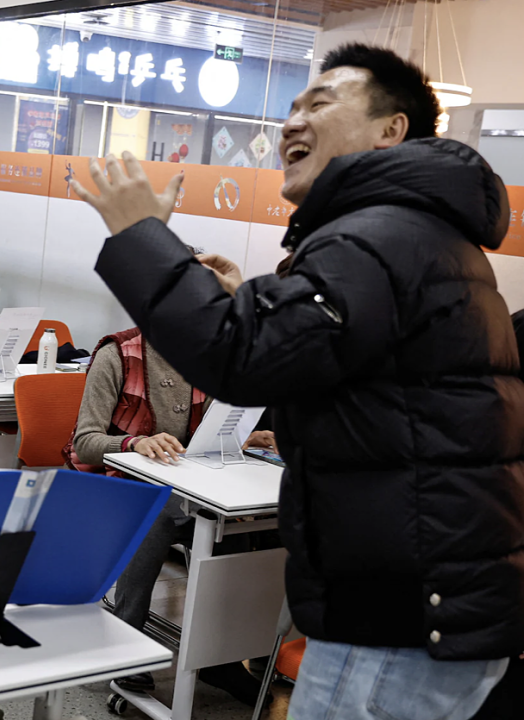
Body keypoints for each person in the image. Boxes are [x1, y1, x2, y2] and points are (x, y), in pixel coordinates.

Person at [73, 43, 522, 719]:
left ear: (390, 130)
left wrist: (140, 234)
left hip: (397, 614)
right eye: (289, 107)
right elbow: (318, 352)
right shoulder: (414, 234)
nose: (292, 122)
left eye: (320, 103)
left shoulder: (376, 236)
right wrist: (246, 297)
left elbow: (240, 360)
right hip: (430, 602)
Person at [62, 323, 271, 707]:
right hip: (115, 483)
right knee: (153, 516)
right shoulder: (117, 356)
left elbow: (201, 436)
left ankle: (219, 656)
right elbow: (85, 442)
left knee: (240, 529)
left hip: (181, 484)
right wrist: (135, 441)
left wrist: (240, 437)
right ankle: (124, 643)